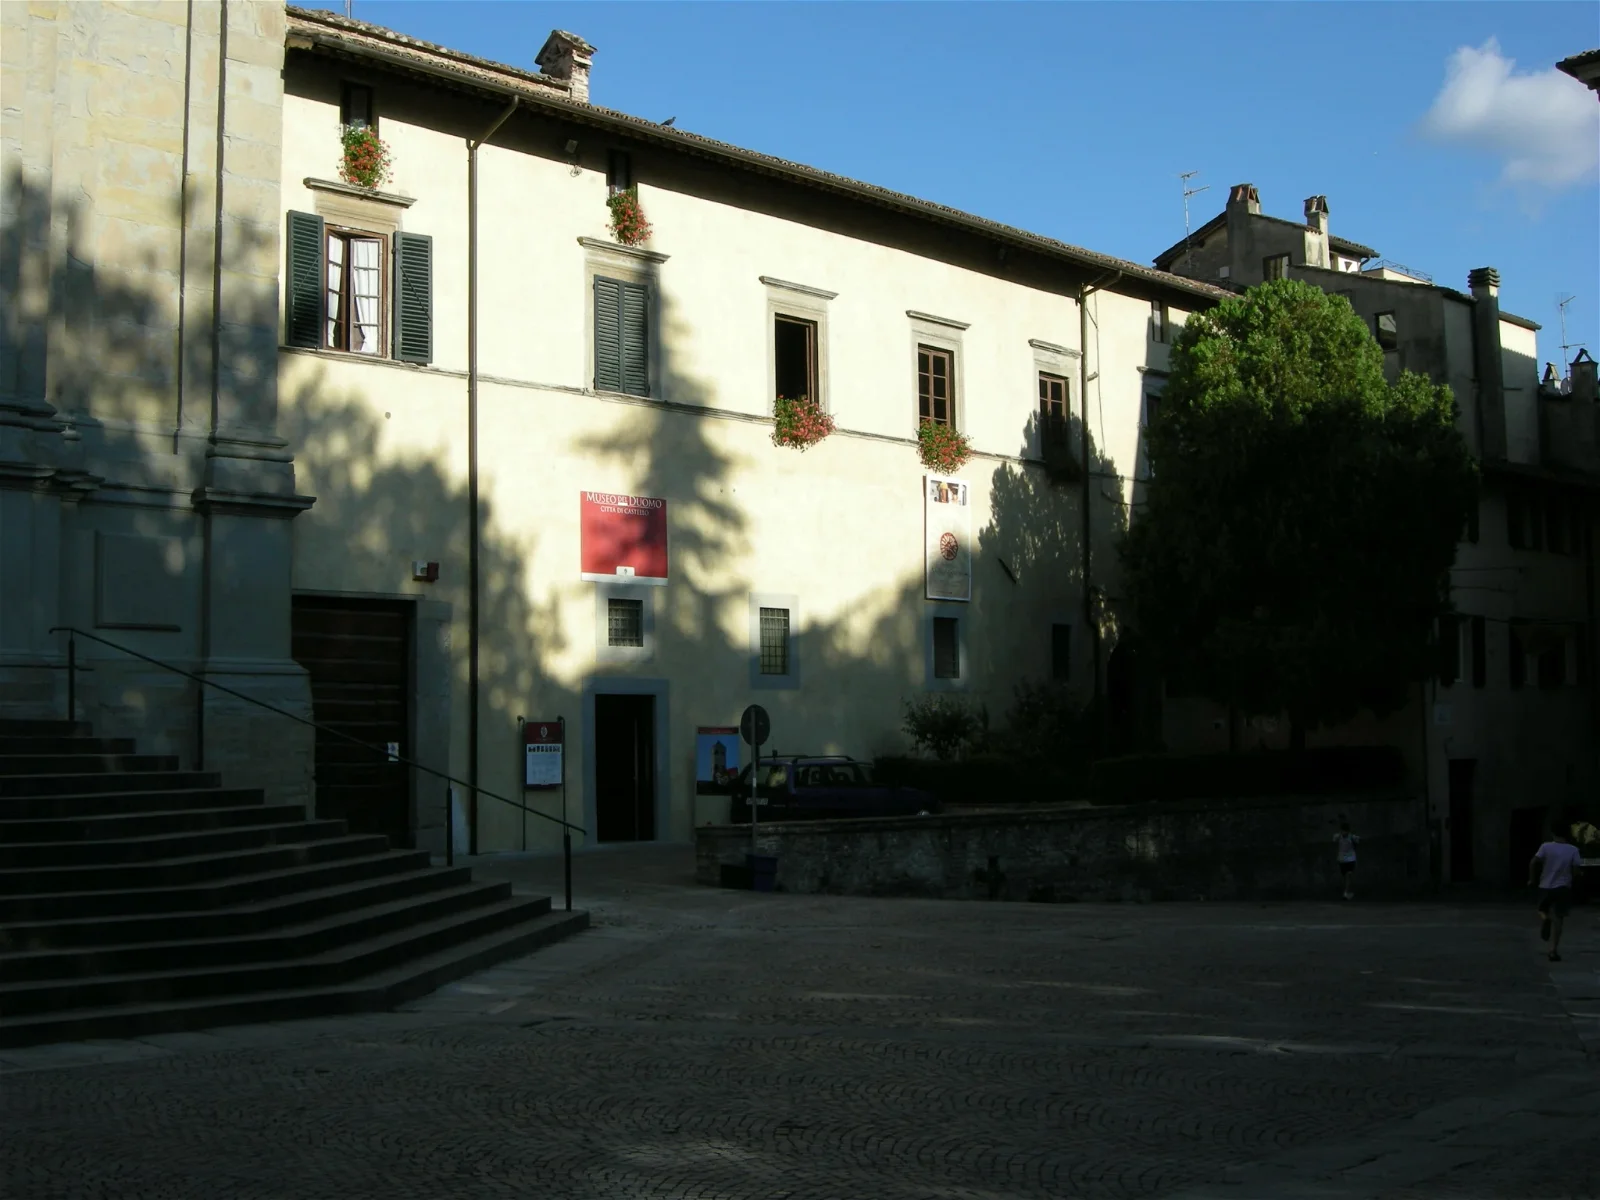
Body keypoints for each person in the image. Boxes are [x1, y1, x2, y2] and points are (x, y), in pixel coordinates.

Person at [1530, 822, 1583, 963]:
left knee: (1541, 908)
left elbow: (1534, 862)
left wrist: (1532, 879)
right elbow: (1576, 870)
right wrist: (1577, 877)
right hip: (1563, 888)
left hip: (1545, 885)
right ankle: (1553, 951)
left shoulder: (1545, 846)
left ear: (1553, 833)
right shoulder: (1573, 850)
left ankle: (1545, 918)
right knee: (1559, 918)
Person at [1334, 820, 1360, 900]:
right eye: (1342, 831)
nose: (1344, 833)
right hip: (1342, 860)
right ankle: (1346, 892)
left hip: (1350, 859)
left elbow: (1358, 840)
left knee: (1349, 875)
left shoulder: (1352, 837)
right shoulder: (1338, 836)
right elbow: (1334, 839)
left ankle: (1346, 892)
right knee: (1345, 877)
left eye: (1345, 831)